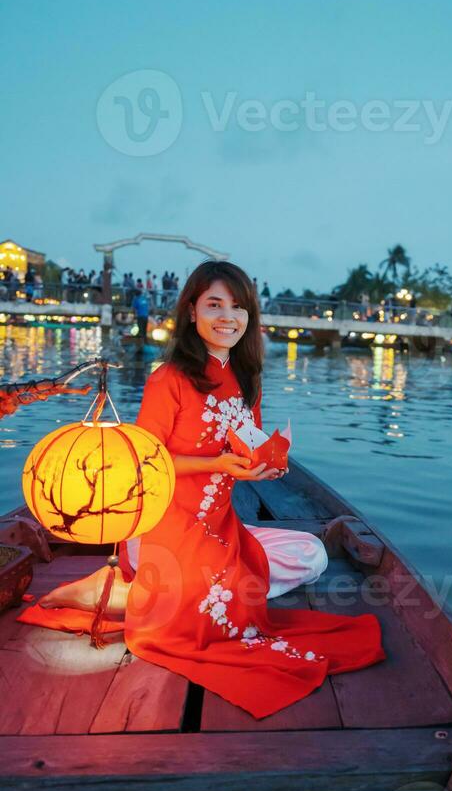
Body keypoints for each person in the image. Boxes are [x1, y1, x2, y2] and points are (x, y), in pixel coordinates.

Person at [35, 260, 385, 720]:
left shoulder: (246, 381)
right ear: (192, 312)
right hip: (166, 529)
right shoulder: (170, 379)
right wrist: (215, 464)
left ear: (250, 317)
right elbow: (144, 460)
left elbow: (249, 448)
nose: (228, 316)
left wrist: (261, 469)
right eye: (214, 304)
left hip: (221, 527)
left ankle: (137, 593)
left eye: (238, 307)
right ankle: (136, 589)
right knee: (220, 599)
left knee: (312, 556)